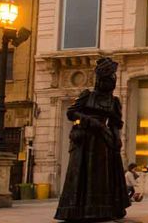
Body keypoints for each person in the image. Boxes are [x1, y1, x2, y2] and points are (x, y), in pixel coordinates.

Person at [55, 58, 130, 222]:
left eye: (112, 78)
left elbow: (116, 123)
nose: (110, 81)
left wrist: (116, 138)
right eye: (107, 78)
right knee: (84, 174)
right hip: (86, 140)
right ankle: (78, 209)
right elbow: (71, 113)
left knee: (102, 175)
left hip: (103, 141)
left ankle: (104, 208)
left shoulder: (114, 101)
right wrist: (90, 121)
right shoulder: (87, 96)